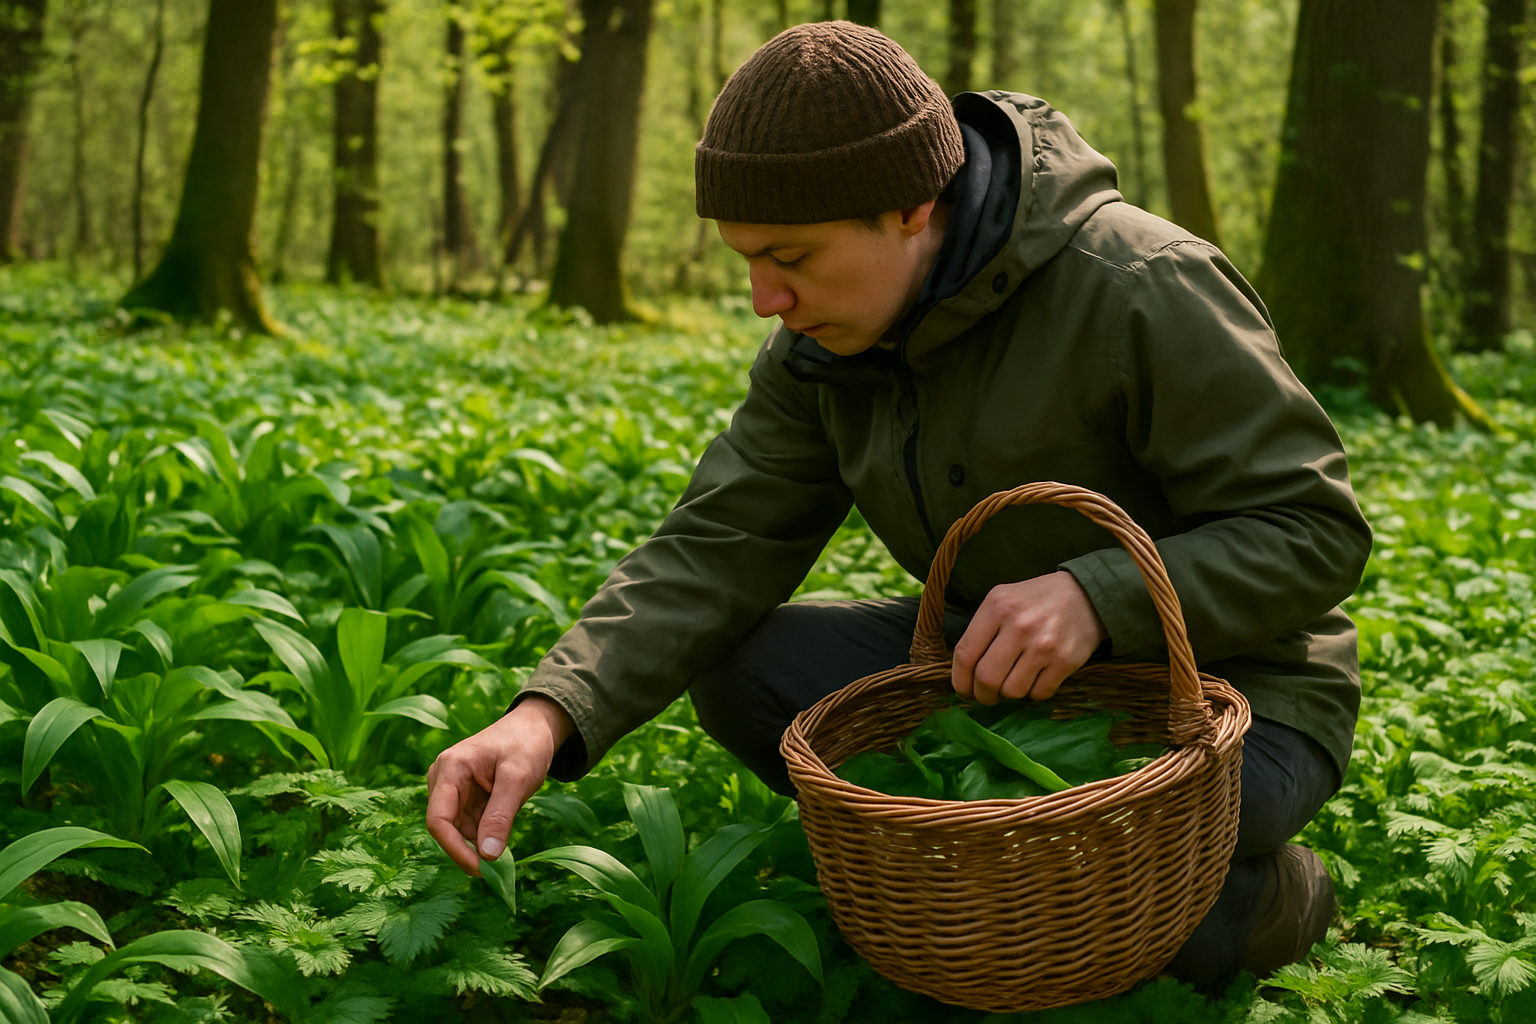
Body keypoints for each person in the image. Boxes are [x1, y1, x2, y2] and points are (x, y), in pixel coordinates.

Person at [426, 21, 1371, 992]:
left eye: (790, 255)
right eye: (745, 259)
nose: (763, 298)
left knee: (1112, 879)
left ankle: (1264, 901)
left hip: (1235, 696)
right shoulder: (821, 343)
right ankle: (993, 872)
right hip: (998, 674)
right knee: (749, 670)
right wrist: (548, 713)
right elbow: (719, 541)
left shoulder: (1138, 283)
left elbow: (1313, 530)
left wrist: (1102, 595)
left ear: (915, 207)